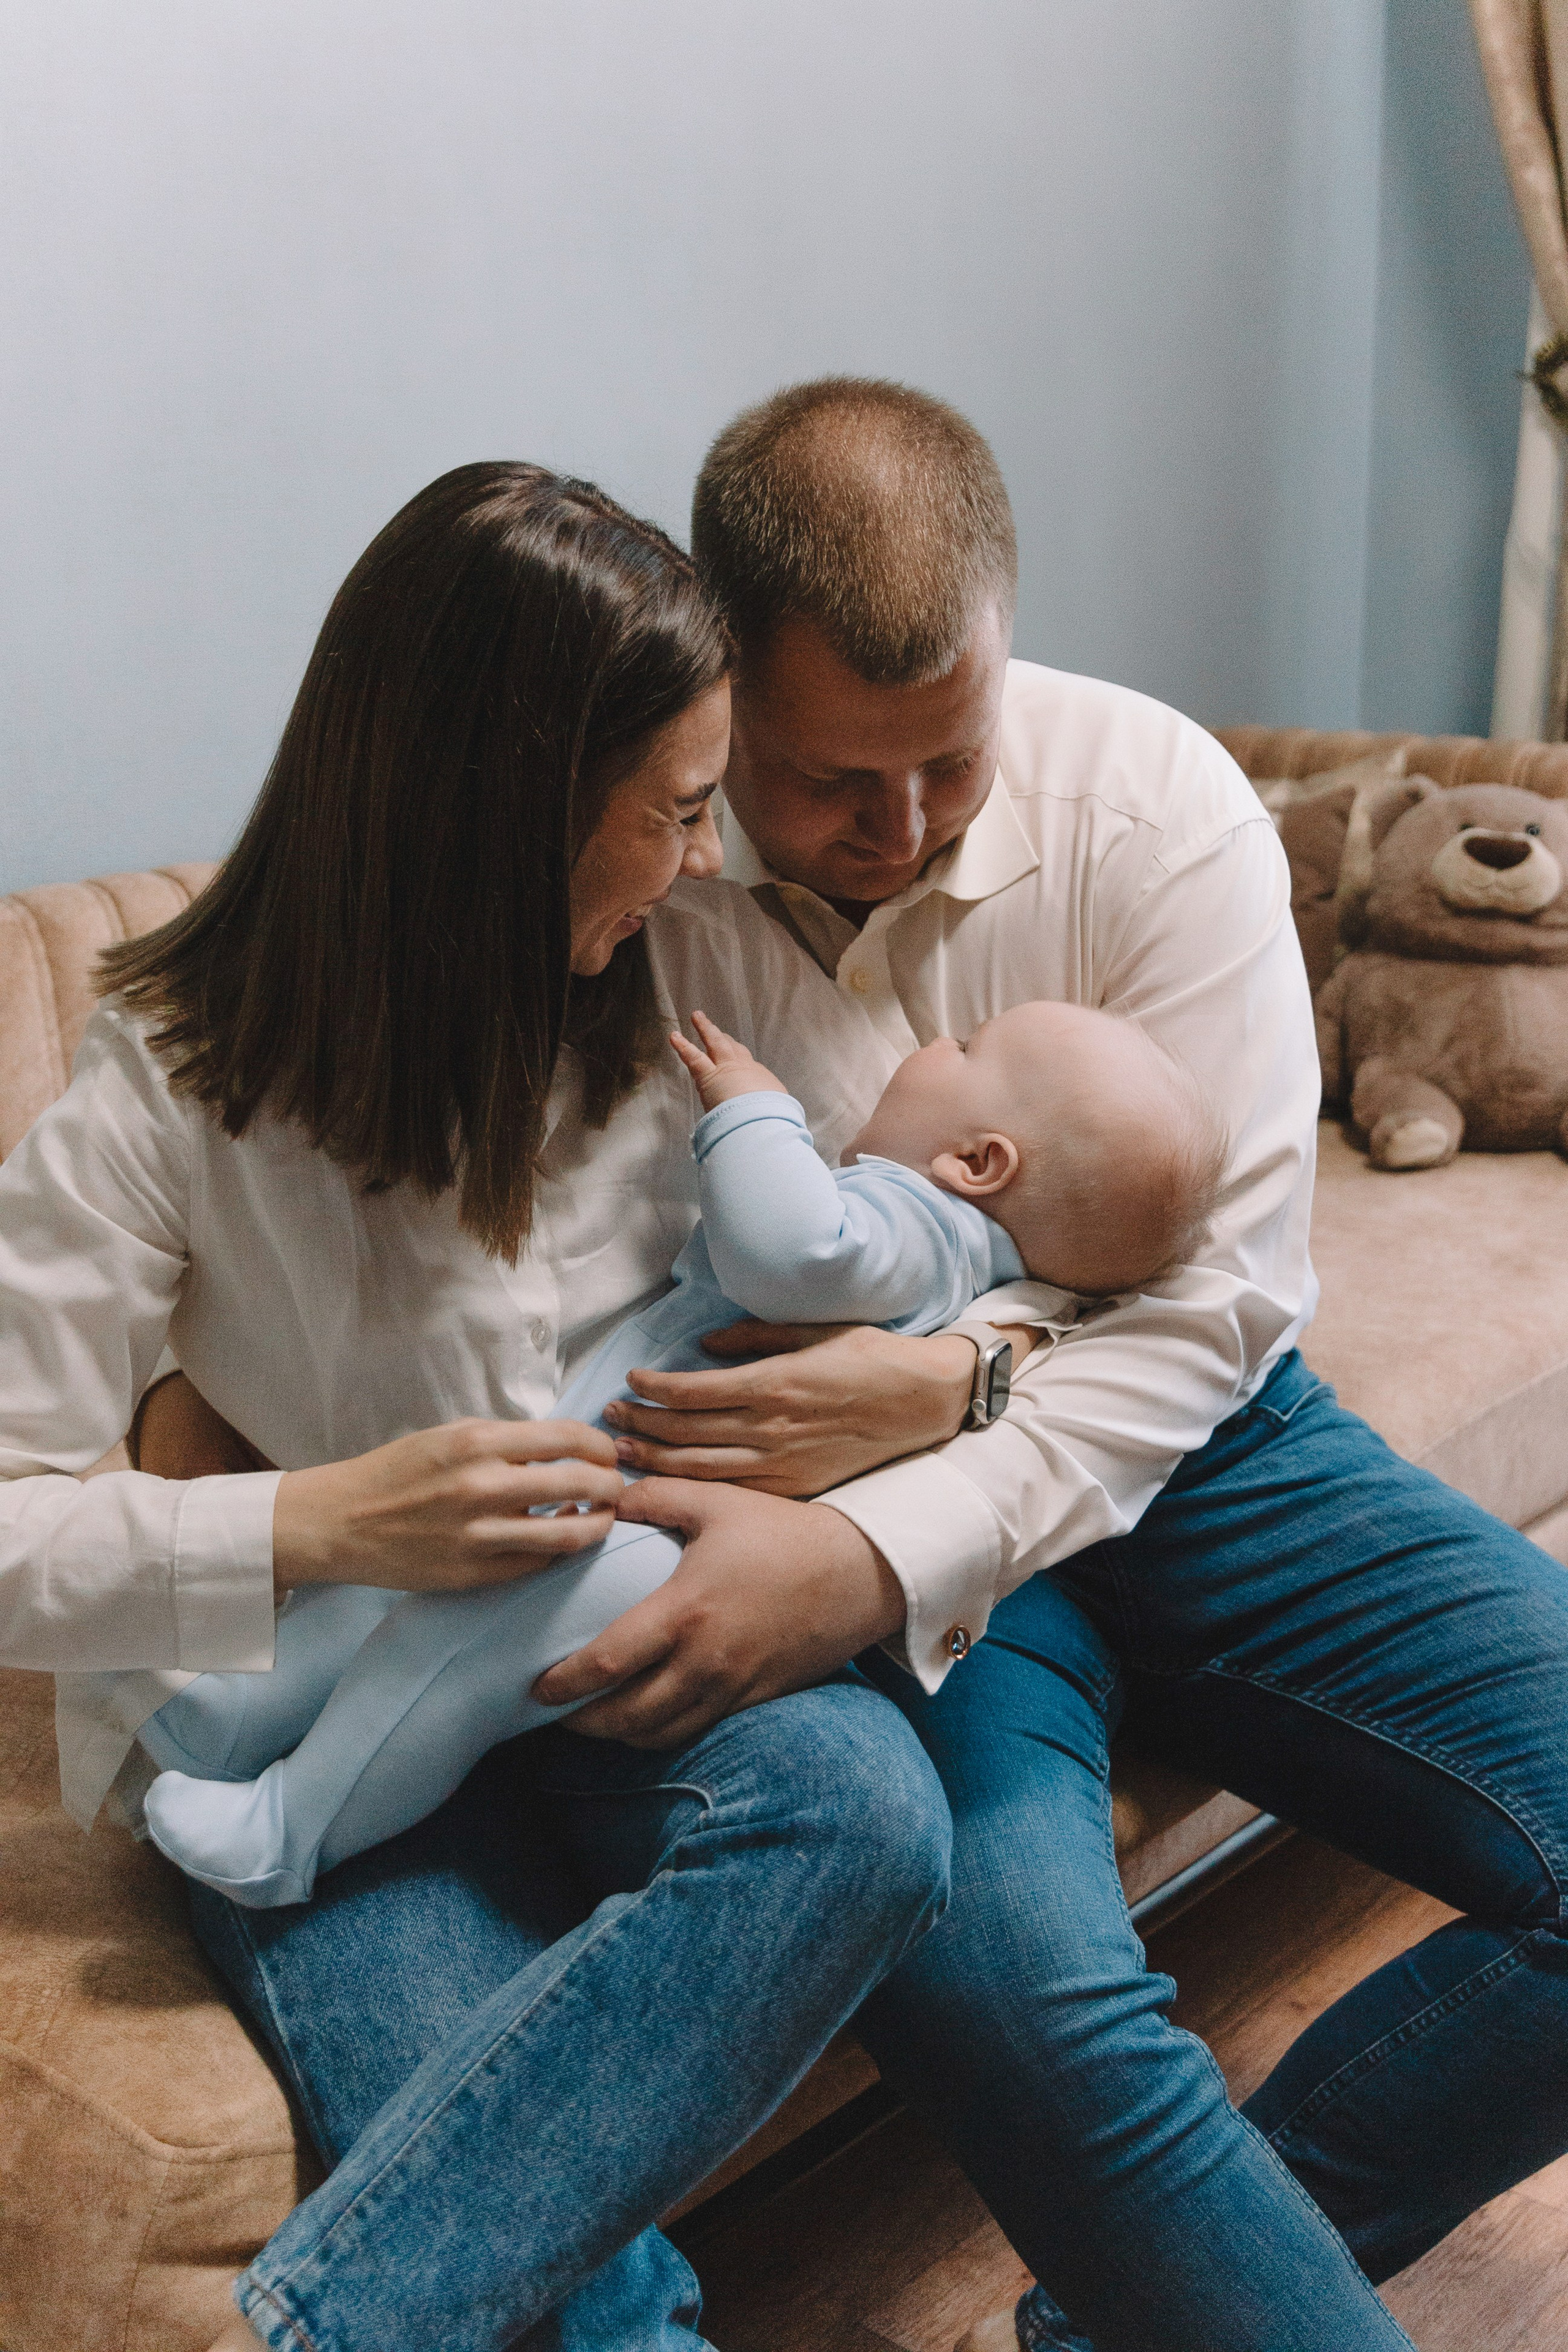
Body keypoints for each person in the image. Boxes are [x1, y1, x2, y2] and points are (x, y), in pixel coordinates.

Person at [143, 381, 1568, 2352]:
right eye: (824, 783)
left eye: (949, 766)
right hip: (800, 1478)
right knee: (1024, 1988)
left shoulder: (1158, 811)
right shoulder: (624, 857)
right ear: (726, 688)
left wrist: (933, 1447)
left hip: (1193, 1450)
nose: (893, 834)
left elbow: (1218, 1301)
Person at [0, 461, 960, 2352]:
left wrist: (916, 1393)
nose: (707, 857)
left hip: (623, 1663)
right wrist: (329, 1523)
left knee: (868, 1816)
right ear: (512, 808)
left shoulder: (680, 993)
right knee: (576, 2296)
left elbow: (937, 1212)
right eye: (677, 810)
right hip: (332, 1733)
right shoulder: (168, 1089)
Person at [137, 999, 1224, 1907]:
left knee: (449, 1663)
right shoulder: (966, 1273)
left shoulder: (918, 1221)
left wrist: (755, 1111)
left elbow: (788, 1253)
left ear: (977, 1162)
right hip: (606, 1489)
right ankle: (241, 1715)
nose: (935, 1041)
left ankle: (290, 1832)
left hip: (641, 1529)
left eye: (969, 1045)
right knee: (399, 1596)